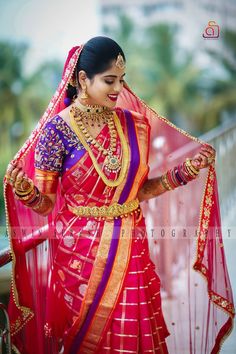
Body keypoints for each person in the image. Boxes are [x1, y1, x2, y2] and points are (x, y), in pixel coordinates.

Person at [4, 36, 234, 354]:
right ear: (82, 79)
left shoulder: (133, 125)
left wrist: (185, 171)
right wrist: (27, 192)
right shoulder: (55, 133)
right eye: (109, 80)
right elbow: (46, 206)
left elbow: (137, 192)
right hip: (80, 258)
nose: (118, 89)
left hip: (131, 247)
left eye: (122, 80)